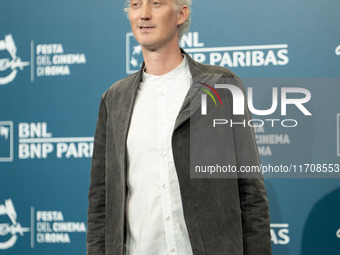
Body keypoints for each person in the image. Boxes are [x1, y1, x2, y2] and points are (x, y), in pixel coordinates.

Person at [86, 0, 271, 254]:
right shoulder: (113, 99)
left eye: (156, 3)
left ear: (181, 14)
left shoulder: (221, 85)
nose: (144, 15)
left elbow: (250, 192)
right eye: (136, 5)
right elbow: (101, 203)